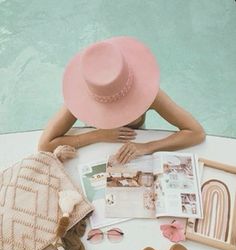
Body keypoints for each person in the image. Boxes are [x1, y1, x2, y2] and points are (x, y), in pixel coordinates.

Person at [38, 36, 205, 164]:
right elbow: (45, 145)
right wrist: (98, 135)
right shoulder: (82, 96)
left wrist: (148, 147)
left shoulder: (148, 93)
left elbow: (195, 132)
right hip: (97, 148)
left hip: (134, 146)